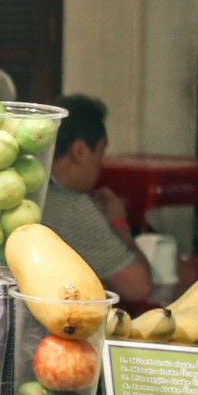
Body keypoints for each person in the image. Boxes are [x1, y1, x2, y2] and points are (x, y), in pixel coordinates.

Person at [41, 94, 152, 309]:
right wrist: (120, 227)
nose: (102, 163)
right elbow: (139, 287)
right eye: (101, 151)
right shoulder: (73, 207)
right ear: (79, 150)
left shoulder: (16, 188)